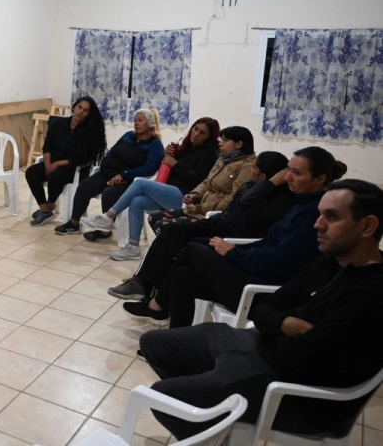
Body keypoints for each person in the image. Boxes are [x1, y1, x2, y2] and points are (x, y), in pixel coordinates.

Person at [139, 179, 383, 440]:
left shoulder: (371, 292)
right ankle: (214, 418)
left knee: (164, 396)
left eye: (332, 216)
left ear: (367, 226)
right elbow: (267, 306)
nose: (317, 224)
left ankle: (214, 415)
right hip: (259, 346)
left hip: (290, 390)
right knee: (154, 343)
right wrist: (282, 324)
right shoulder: (328, 263)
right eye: (320, 214)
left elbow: (306, 360)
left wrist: (274, 323)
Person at [125, 146, 346, 327]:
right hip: (253, 269)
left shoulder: (312, 215)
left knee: (192, 248)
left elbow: (280, 262)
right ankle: (170, 332)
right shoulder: (301, 205)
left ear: (320, 179)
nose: (287, 177)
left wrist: (234, 253)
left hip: (263, 291)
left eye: (296, 173)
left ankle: (156, 303)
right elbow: (268, 243)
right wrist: (234, 250)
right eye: (287, 170)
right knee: (184, 275)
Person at [107, 151, 293, 300]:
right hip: (215, 221)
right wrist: (196, 195)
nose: (251, 168)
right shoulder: (232, 170)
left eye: (256, 167)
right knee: (169, 228)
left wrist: (270, 183)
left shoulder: (276, 200)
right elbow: (206, 184)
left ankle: (152, 293)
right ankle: (143, 283)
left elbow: (242, 203)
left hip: (225, 233)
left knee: (177, 237)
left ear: (263, 176)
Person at [79, 117, 220, 259]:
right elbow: (169, 168)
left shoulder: (210, 153)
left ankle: (108, 217)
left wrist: (175, 163)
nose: (196, 134)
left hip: (185, 197)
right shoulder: (187, 148)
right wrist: (169, 155)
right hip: (169, 191)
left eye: (202, 133)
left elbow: (198, 180)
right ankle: (133, 247)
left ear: (209, 137)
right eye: (195, 129)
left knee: (140, 183)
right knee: (137, 201)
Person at [55, 109, 163, 237]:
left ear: (150, 123)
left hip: (129, 181)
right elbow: (111, 152)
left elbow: (149, 169)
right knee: (84, 187)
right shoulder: (128, 135)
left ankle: (105, 231)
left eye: (140, 121)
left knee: (108, 194)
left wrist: (125, 174)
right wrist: (105, 164)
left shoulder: (155, 145)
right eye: (135, 121)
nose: (136, 124)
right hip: (108, 173)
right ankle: (74, 224)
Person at [25, 96, 107, 226]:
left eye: (85, 110)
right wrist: (47, 165)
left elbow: (83, 158)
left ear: (88, 114)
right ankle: (44, 208)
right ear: (74, 107)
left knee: (55, 175)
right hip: (52, 162)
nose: (81, 112)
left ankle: (50, 204)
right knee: (31, 172)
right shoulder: (58, 124)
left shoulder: (88, 132)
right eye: (79, 107)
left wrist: (57, 164)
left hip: (74, 168)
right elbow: (47, 146)